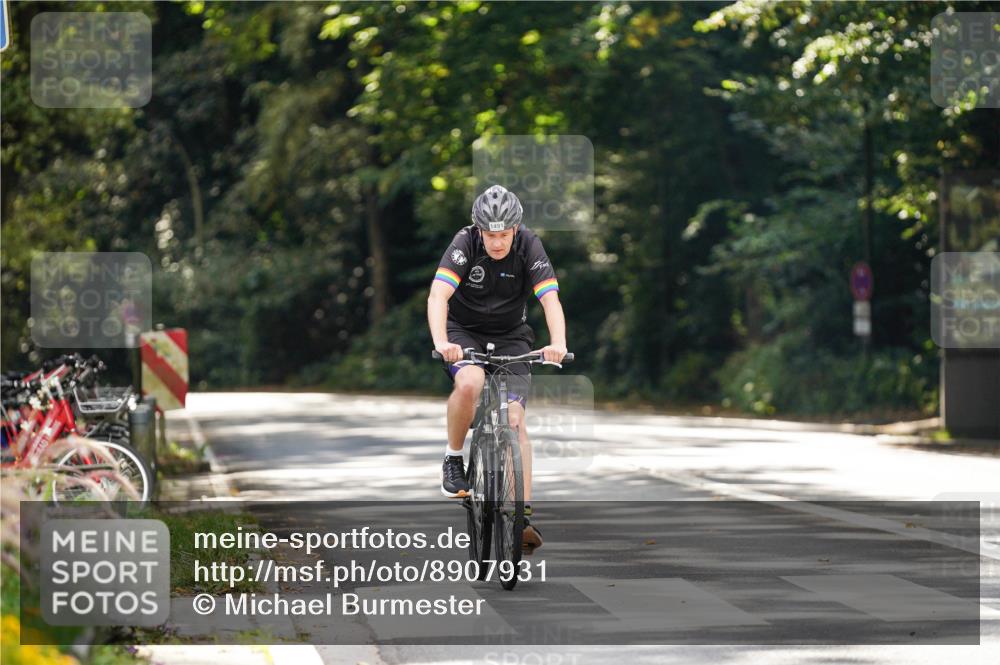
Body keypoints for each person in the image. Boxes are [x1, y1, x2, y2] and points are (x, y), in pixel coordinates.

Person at [427, 184, 567, 552]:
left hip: (511, 336)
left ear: (516, 230)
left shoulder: (529, 245)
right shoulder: (464, 243)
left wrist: (558, 343)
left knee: (516, 419)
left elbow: (550, 299)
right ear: (478, 230)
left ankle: (521, 516)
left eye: (504, 235)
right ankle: (454, 458)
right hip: (464, 334)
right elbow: (438, 295)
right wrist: (443, 343)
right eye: (490, 235)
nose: (498, 243)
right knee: (471, 382)